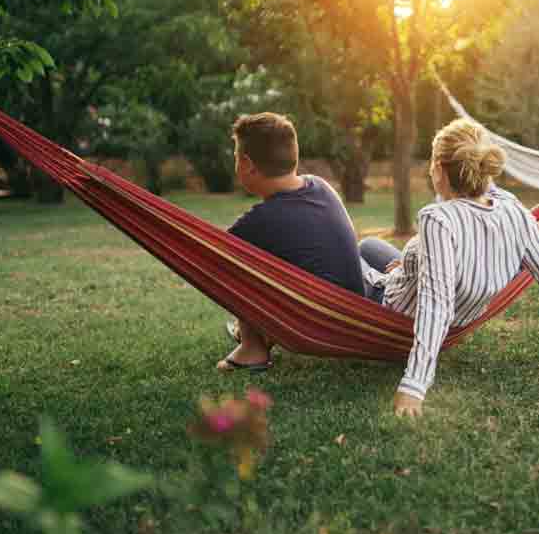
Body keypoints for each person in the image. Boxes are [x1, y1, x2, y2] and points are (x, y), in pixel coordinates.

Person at [359, 118, 539, 417]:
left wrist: (414, 386)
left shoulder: (438, 219)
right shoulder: (514, 213)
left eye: (432, 163)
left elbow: (436, 305)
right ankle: (400, 268)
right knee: (370, 246)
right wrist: (409, 263)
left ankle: (390, 273)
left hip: (393, 308)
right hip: (430, 292)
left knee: (354, 251)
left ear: (440, 170)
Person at [218, 112, 365, 372]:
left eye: (235, 158)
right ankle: (262, 335)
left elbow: (213, 254)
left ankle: (252, 348)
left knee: (234, 262)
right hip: (355, 311)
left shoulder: (260, 221)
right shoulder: (320, 185)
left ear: (247, 164)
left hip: (320, 324)